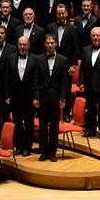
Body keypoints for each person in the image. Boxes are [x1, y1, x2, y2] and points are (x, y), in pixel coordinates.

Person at [36, 34, 70, 162]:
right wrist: (36, 97)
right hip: (43, 96)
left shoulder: (63, 60)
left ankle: (52, 153)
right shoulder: (39, 59)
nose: (50, 45)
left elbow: (64, 82)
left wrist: (63, 98)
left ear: (56, 44)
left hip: (56, 97)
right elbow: (36, 80)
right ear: (45, 44)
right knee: (43, 126)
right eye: (48, 43)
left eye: (52, 43)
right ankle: (43, 152)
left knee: (54, 126)